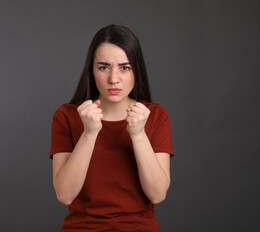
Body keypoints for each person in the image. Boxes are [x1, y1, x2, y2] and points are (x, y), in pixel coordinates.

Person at [49, 24, 174, 231]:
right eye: (104, 67)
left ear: (136, 71)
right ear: (92, 70)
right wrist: (89, 133)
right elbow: (64, 194)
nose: (113, 79)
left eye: (124, 67)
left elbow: (158, 194)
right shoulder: (66, 116)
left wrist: (138, 134)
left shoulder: (155, 115)